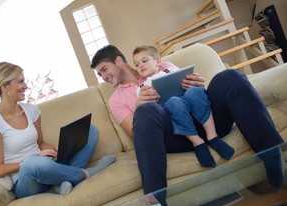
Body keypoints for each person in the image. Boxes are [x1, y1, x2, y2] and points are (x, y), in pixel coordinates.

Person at [90, 45, 284, 198]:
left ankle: (272, 155)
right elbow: (135, 133)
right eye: (99, 74)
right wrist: (140, 105)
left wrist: (198, 84)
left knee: (229, 77)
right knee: (147, 110)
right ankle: (158, 202)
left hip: (208, 121)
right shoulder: (116, 100)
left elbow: (199, 97)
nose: (103, 76)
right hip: (176, 137)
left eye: (104, 69)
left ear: (118, 60)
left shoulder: (165, 66)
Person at [0, 62, 115, 198]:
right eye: (20, 82)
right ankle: (85, 173)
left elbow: (40, 143)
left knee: (90, 130)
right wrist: (30, 161)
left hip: (48, 165)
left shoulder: (31, 111)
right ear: (5, 87)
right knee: (32, 162)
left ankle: (61, 181)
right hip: (27, 179)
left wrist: (58, 148)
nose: (25, 86)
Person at [132, 45, 234, 167]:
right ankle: (198, 143)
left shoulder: (170, 69)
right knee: (173, 102)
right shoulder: (142, 88)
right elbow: (148, 111)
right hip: (172, 108)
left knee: (194, 92)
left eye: (144, 61)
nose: (141, 66)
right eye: (137, 65)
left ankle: (212, 136)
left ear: (158, 61)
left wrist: (193, 80)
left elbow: (189, 80)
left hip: (188, 97)